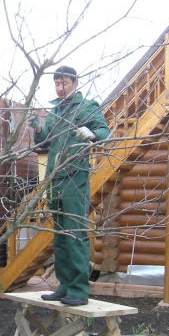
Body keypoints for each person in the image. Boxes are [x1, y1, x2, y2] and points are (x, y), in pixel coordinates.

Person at [33, 66, 110, 306]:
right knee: (59, 236)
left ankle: (79, 289)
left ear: (74, 83)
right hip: (55, 177)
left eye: (64, 83)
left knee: (75, 234)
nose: (59, 87)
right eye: (56, 83)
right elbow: (44, 140)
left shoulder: (86, 106)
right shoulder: (55, 111)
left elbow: (104, 131)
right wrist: (37, 127)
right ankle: (64, 285)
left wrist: (92, 133)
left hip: (75, 178)